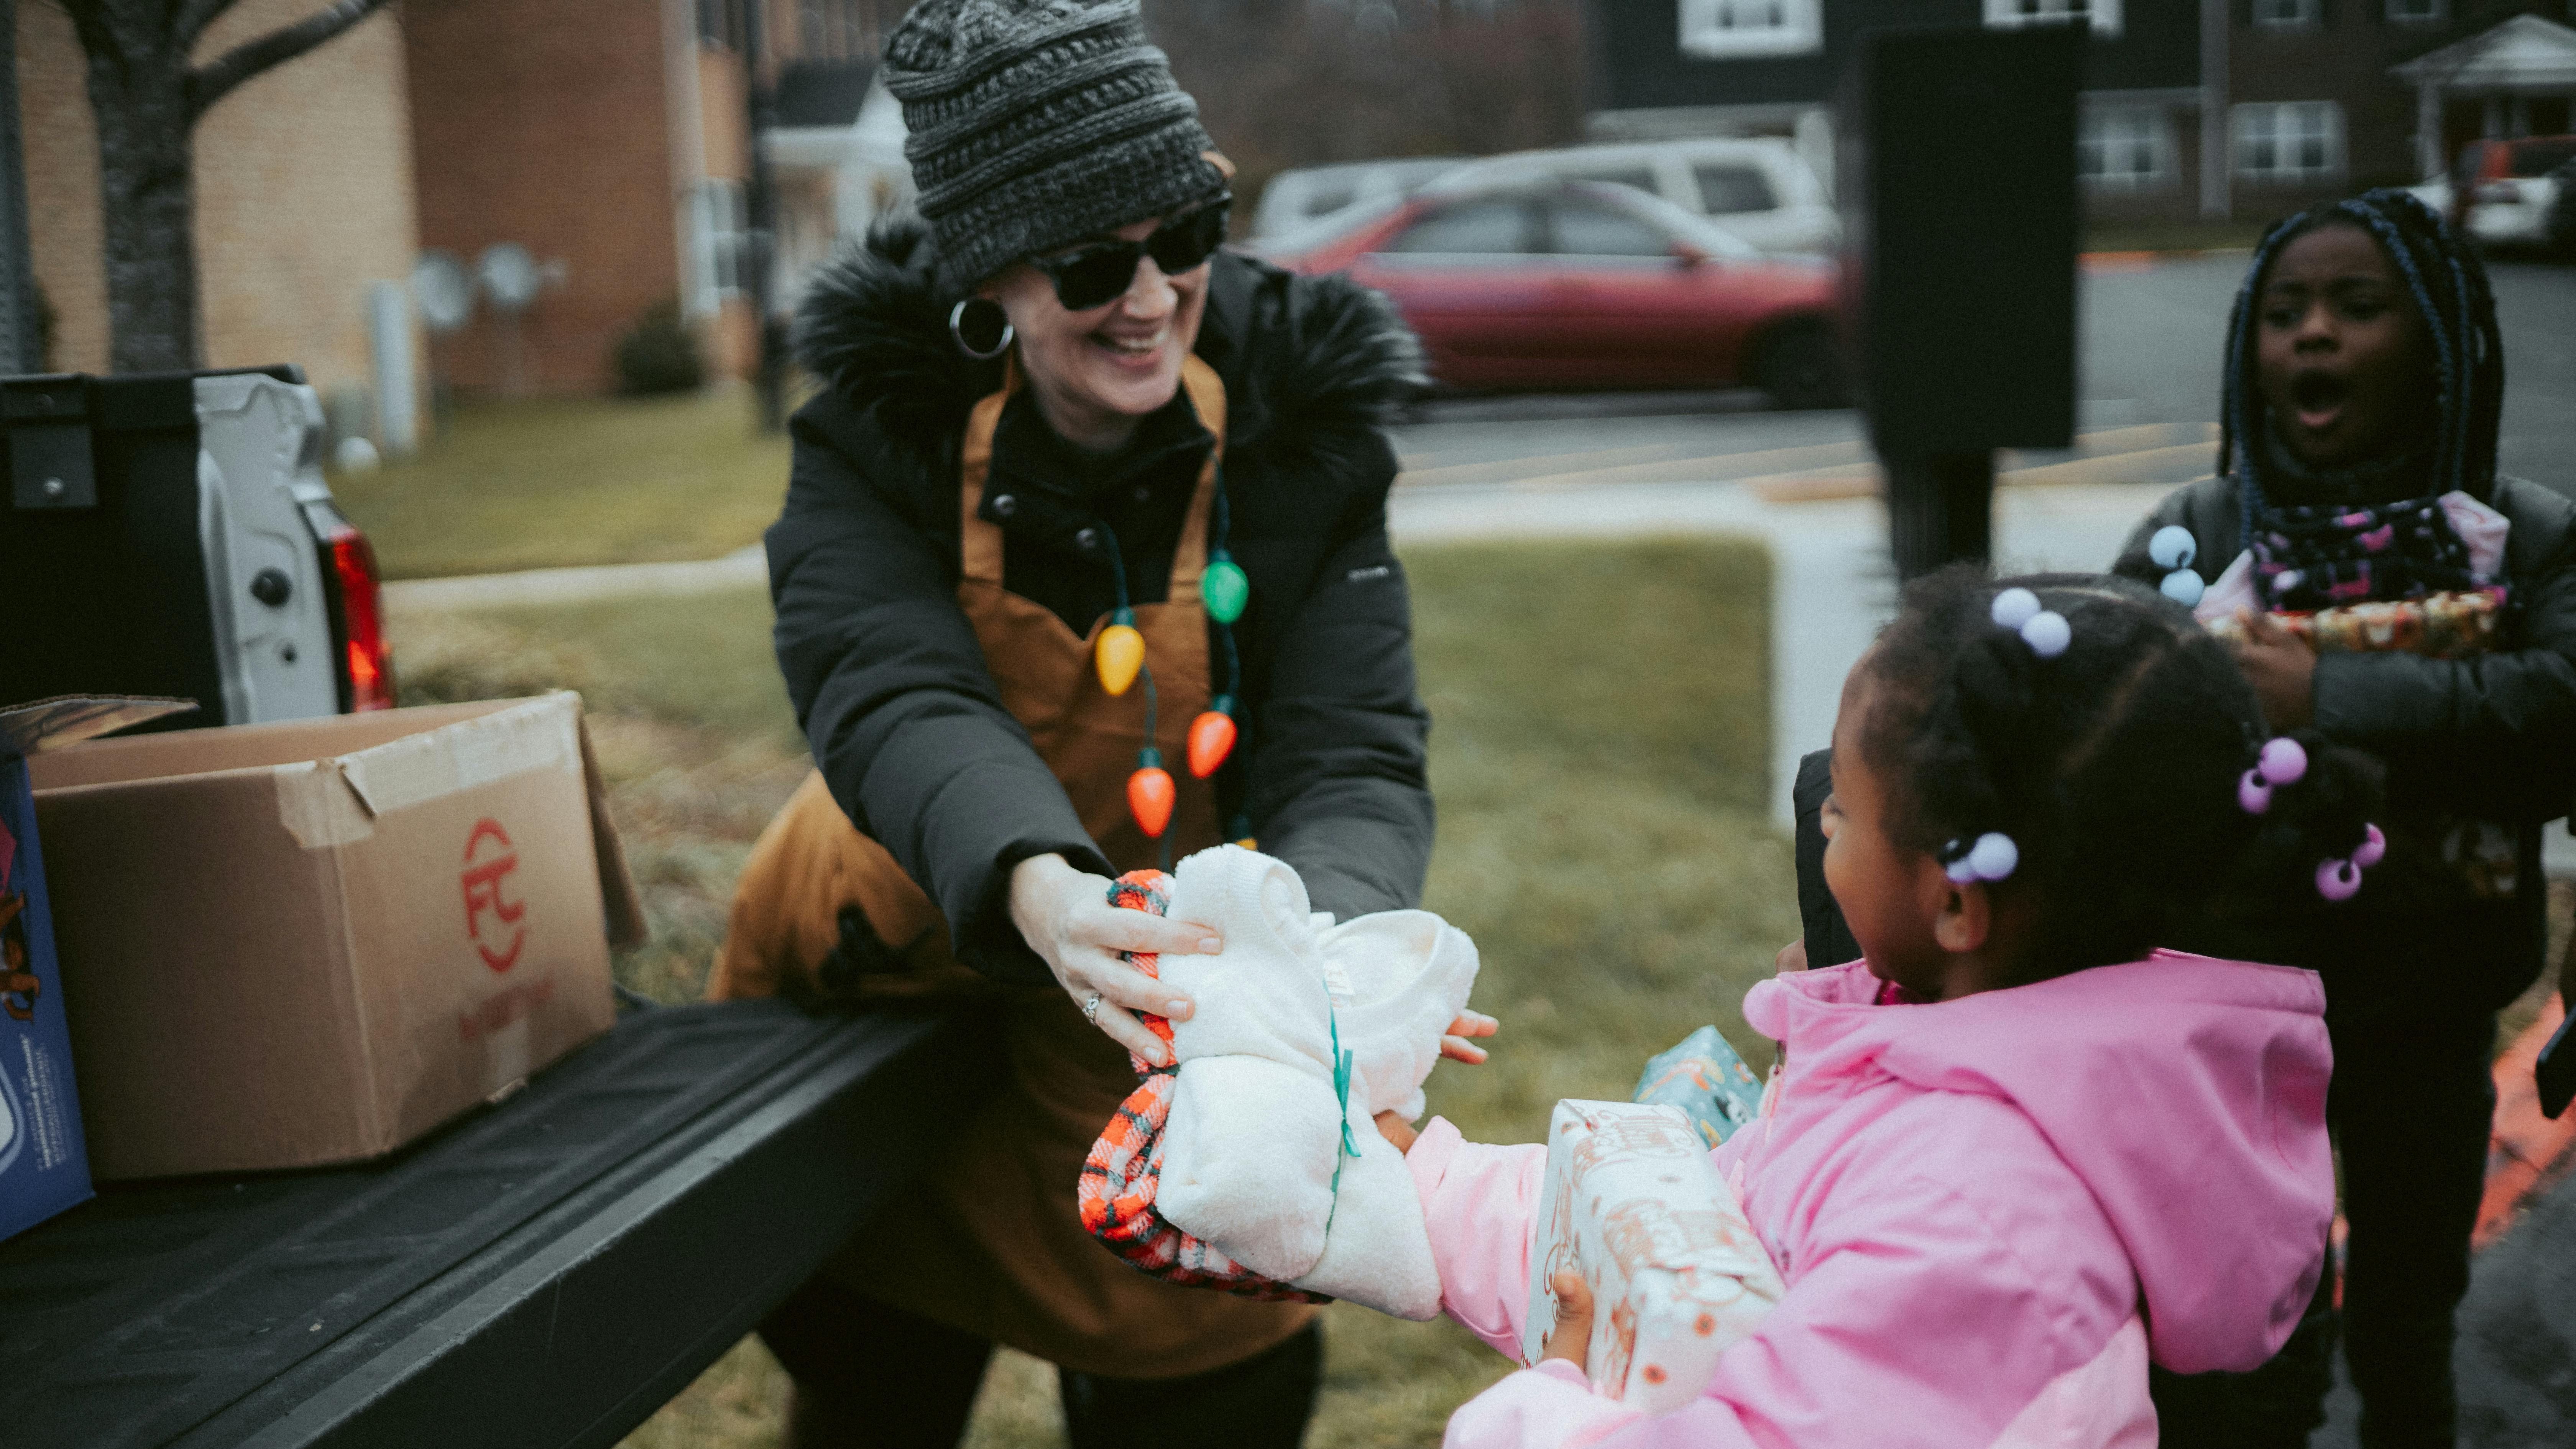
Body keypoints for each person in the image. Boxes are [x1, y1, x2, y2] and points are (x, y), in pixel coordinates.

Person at [705, 0, 1467, 1442]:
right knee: (880, 1367)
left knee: (1208, 1353)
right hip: (890, 927)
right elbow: (891, 687)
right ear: (987, 274)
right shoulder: (880, 423)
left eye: (1184, 237)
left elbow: (1351, 747)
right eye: (1094, 262)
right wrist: (1036, 888)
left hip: (1159, 970)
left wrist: (1333, 955)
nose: (1151, 295)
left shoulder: (1301, 416)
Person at [1376, 569, 2366, 1448]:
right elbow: (1681, 1229)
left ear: (1955, 903)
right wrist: (1417, 1181)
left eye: (1843, 807)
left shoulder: (1973, 1213)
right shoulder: (1915, 1072)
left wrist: (1546, 1414)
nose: (1820, 820)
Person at [2111, 189, 2576, 1448]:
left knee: (2410, 1324)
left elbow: (2560, 710)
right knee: (2262, 1340)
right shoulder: (2195, 539)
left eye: (2358, 308)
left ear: (2438, 338)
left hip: (2430, 1007)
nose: (2311, 336)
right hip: (2236, 1034)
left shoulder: (2521, 542)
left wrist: (2327, 690)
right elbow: (2093, 737)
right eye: (2284, 312)